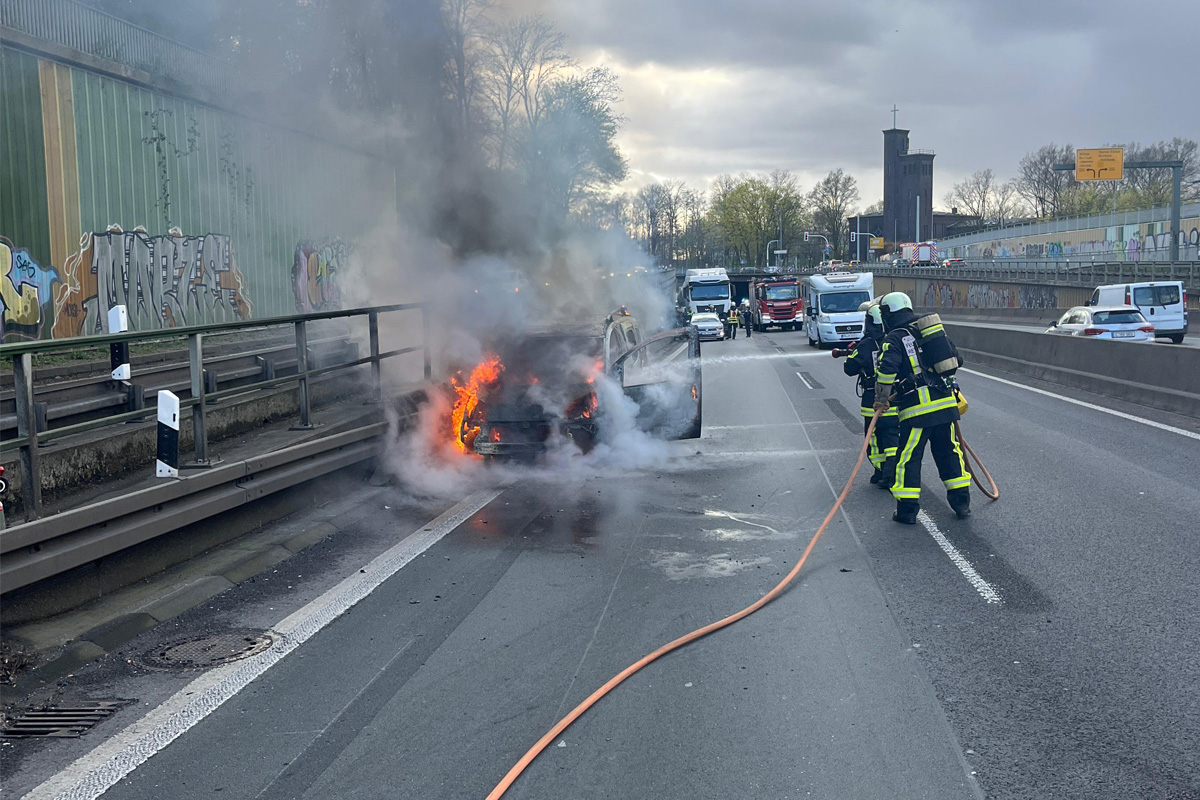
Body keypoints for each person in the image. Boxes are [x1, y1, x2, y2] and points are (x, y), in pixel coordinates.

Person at [874, 292, 971, 523]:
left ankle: (907, 511)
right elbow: (957, 359)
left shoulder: (894, 337)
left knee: (908, 458)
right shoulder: (929, 331)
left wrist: (881, 399)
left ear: (888, 314)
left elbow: (887, 370)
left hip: (917, 411)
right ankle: (962, 503)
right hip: (945, 405)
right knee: (950, 452)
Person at [842, 303, 898, 487]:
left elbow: (849, 368)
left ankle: (880, 471)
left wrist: (852, 355)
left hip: (872, 401)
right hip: (894, 400)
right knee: (892, 437)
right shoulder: (894, 341)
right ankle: (892, 472)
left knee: (873, 439)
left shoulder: (865, 345)